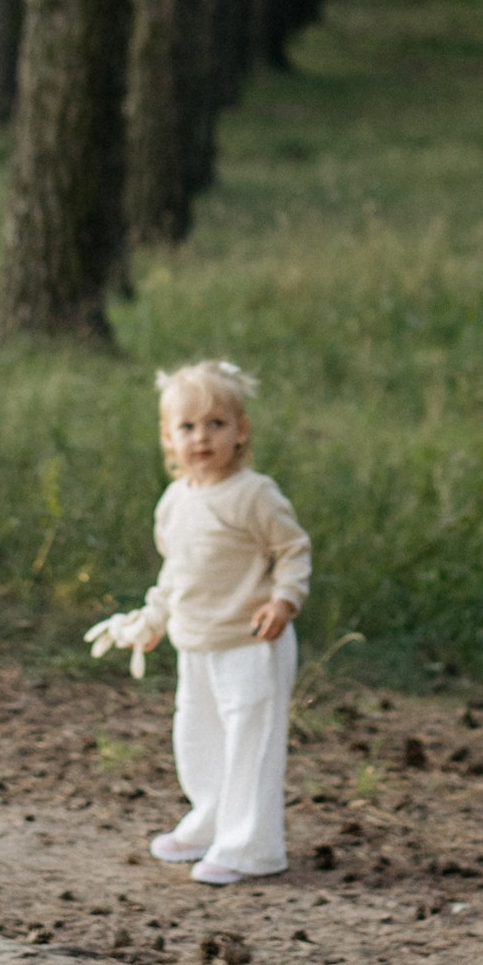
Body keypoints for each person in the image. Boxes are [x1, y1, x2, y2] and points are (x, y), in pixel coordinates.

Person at [85, 359, 310, 887]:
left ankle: (250, 846)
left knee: (249, 742)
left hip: (250, 641)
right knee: (198, 735)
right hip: (198, 642)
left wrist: (284, 600)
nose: (201, 437)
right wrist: (156, 615)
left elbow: (293, 549)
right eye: (187, 427)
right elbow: (176, 570)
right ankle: (209, 819)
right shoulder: (174, 501)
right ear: (167, 437)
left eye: (216, 424)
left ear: (241, 430)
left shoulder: (254, 494)